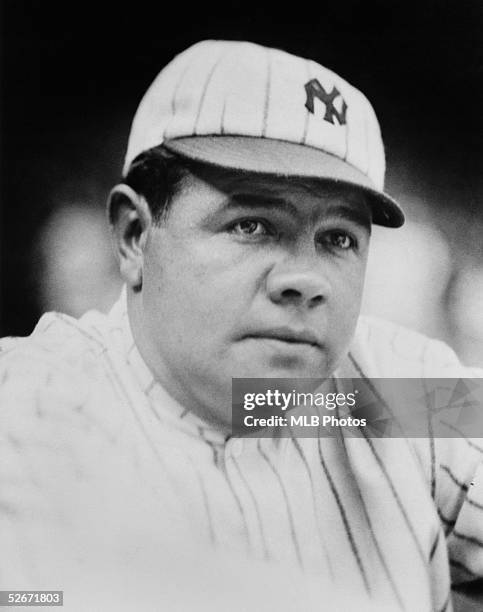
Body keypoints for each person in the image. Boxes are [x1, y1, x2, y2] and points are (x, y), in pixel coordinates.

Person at [1, 40, 482, 611]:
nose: (306, 279)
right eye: (252, 224)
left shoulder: (391, 391)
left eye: (338, 238)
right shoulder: (36, 397)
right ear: (134, 235)